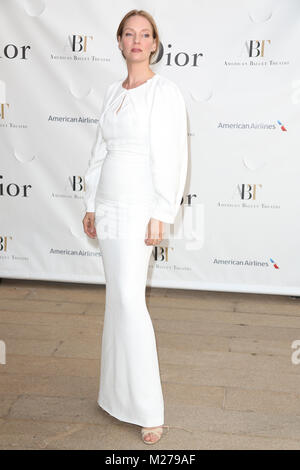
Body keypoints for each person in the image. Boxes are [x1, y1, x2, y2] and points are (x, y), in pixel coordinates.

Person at [82, 9, 188, 445]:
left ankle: (148, 408)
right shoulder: (112, 91)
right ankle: (114, 395)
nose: (138, 41)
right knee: (116, 299)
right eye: (130, 34)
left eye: (146, 34)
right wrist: (89, 202)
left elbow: (172, 155)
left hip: (138, 206)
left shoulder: (164, 93)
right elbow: (98, 150)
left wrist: (162, 212)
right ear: (121, 42)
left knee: (130, 298)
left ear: (156, 43)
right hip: (106, 205)